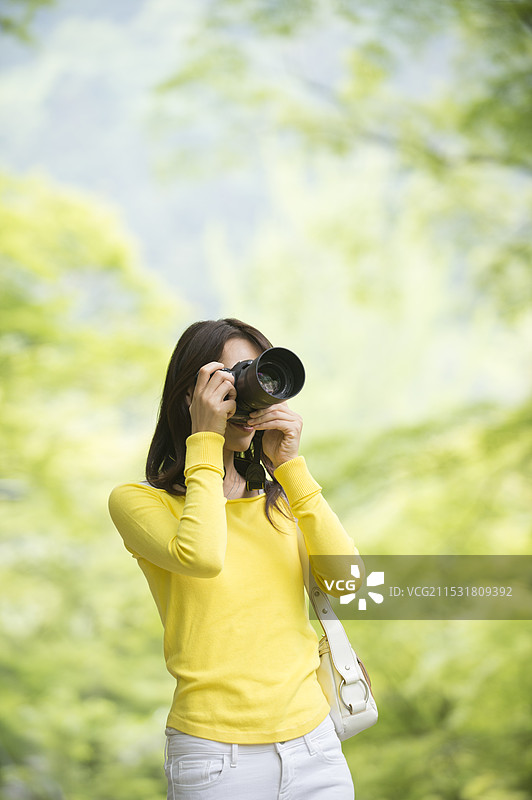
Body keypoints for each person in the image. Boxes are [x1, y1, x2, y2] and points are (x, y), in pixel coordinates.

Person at [108, 317, 362, 800]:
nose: (246, 397)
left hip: (315, 747)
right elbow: (202, 555)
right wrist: (205, 439)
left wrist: (290, 468)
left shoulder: (284, 499)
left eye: (255, 377)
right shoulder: (140, 503)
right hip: (214, 759)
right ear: (190, 395)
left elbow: (350, 584)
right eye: (227, 380)